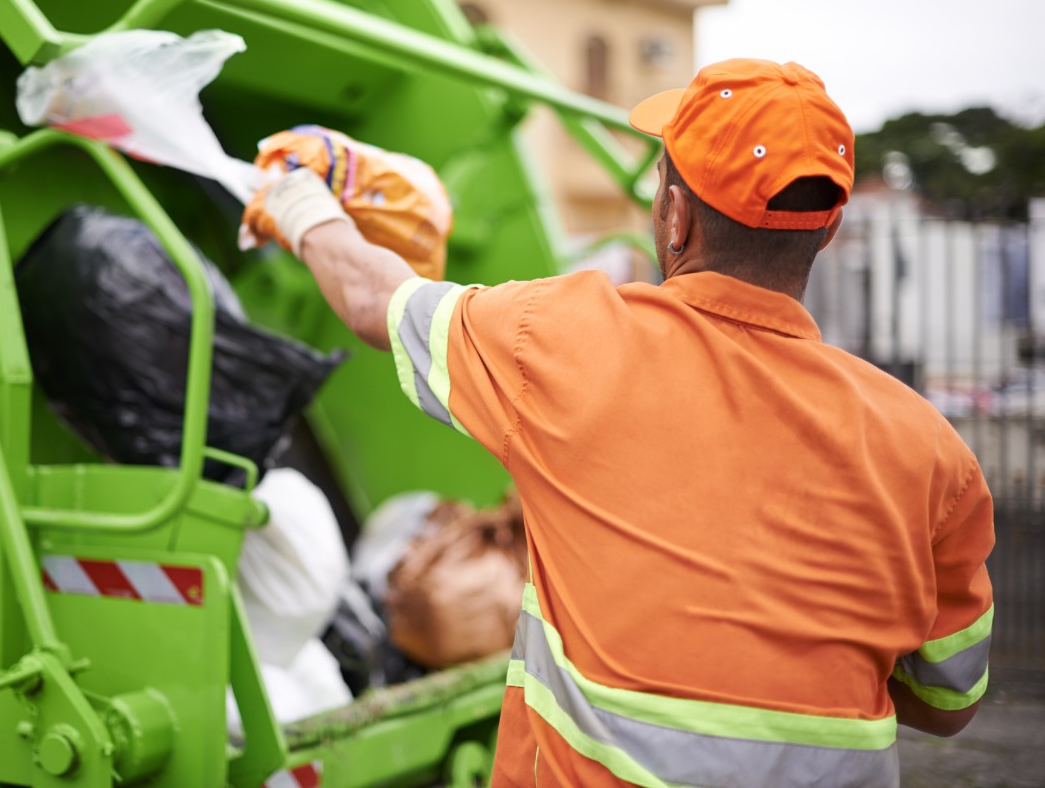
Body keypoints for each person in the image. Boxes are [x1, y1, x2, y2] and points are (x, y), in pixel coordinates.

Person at [242, 58, 995, 787]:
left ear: (673, 215)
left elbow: (376, 302)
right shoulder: (931, 453)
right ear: (826, 232)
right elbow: (949, 699)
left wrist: (301, 201)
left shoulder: (562, 340)